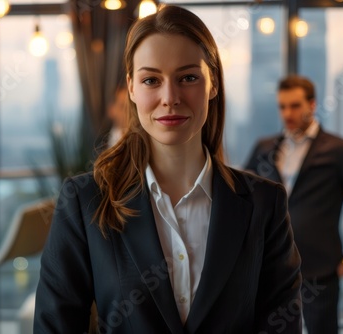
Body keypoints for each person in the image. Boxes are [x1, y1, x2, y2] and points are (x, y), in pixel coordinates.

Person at [34, 5, 301, 333]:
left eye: (188, 77)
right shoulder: (85, 201)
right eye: (151, 80)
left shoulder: (265, 204)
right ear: (131, 88)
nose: (170, 97)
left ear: (213, 83)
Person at [245, 75, 343, 334]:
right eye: (282, 106)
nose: (287, 113)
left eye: (295, 106)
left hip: (319, 268)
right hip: (269, 266)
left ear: (312, 105)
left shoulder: (339, 150)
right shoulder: (265, 149)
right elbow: (242, 202)